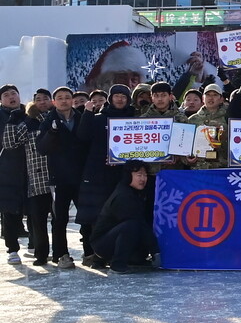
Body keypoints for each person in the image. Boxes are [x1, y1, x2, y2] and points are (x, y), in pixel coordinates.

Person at [76, 84, 134, 265]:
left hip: (124, 175)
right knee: (97, 217)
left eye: (123, 96)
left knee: (122, 215)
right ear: (111, 98)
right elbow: (83, 136)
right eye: (116, 96)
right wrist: (87, 114)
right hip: (99, 175)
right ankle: (96, 254)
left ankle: (122, 253)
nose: (120, 99)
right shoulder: (99, 118)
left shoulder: (134, 118)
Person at [35, 86, 89, 268]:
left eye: (67, 97)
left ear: (72, 99)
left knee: (87, 215)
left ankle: (90, 252)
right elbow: (41, 148)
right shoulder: (48, 121)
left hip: (81, 176)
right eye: (60, 98)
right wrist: (52, 132)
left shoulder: (81, 118)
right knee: (60, 218)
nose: (64, 100)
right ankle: (61, 254)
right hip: (59, 178)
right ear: (54, 101)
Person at [1, 84, 50, 266]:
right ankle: (12, 248)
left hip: (31, 169)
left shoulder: (29, 114)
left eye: (14, 93)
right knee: (10, 210)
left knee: (33, 210)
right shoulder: (2, 116)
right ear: (1, 99)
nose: (11, 97)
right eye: (6, 95)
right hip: (8, 170)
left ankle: (34, 244)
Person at [86, 160, 161, 273]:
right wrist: (155, 250)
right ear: (128, 176)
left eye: (145, 175)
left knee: (138, 248)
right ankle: (117, 265)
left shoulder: (136, 191)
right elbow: (137, 223)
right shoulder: (123, 195)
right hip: (103, 244)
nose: (143, 179)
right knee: (131, 225)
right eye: (139, 175)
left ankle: (134, 259)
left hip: (117, 238)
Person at [186, 84, 229, 169]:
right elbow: (185, 144)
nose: (211, 98)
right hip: (199, 168)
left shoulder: (228, 118)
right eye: (208, 95)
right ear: (203, 98)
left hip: (221, 168)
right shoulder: (193, 119)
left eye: (215, 95)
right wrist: (186, 159)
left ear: (221, 99)